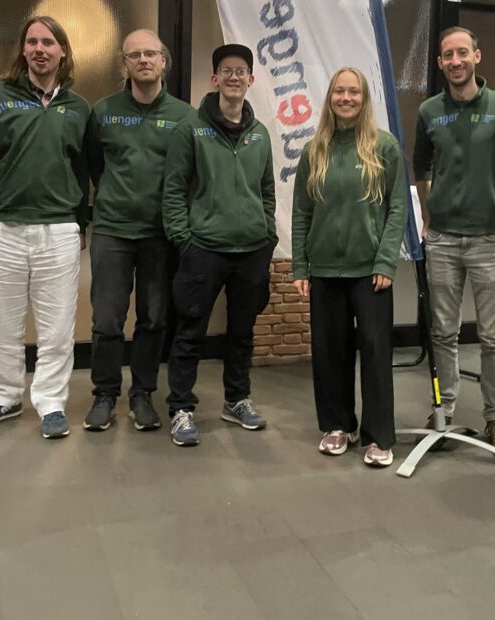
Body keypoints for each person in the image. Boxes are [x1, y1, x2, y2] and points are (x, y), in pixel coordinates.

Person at [0, 16, 88, 439]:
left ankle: (51, 404)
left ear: (62, 51)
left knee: (57, 329)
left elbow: (84, 169)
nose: (39, 49)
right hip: (2, 228)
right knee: (3, 324)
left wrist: (81, 222)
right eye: (32, 41)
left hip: (59, 231)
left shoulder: (78, 107)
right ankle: (3, 397)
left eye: (48, 42)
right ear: (23, 50)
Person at [292, 67, 407, 467]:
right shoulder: (314, 151)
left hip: (370, 270)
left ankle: (378, 436)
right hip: (324, 270)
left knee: (375, 352)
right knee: (330, 352)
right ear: (330, 98)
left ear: (364, 98)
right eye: (339, 91)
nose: (346, 98)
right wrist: (301, 267)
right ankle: (337, 425)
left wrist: (386, 260)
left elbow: (397, 209)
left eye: (353, 91)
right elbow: (301, 212)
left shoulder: (384, 147)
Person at [413, 27, 495, 456]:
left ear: (477, 55)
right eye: (447, 55)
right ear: (440, 62)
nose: (455, 61)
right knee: (443, 332)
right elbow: (421, 167)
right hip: (442, 239)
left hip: (490, 238)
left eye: (462, 53)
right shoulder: (429, 111)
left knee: (494, 336)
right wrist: (428, 215)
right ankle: (444, 412)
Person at [163, 43, 276, 446]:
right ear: (214, 79)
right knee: (190, 331)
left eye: (241, 71)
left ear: (251, 79)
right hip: (204, 250)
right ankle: (181, 407)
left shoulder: (260, 134)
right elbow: (173, 190)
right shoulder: (190, 130)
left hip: (252, 250)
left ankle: (237, 400)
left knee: (242, 332)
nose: (233, 77)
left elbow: (267, 191)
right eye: (226, 70)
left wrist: (268, 235)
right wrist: (185, 241)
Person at [83, 29, 193, 433]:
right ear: (124, 63)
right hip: (112, 231)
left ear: (163, 60)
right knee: (107, 320)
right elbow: (94, 165)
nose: (143, 60)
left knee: (154, 319)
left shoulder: (185, 116)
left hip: (160, 235)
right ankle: (104, 395)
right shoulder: (104, 111)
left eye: (150, 53)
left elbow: (190, 174)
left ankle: (142, 394)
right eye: (135, 55)